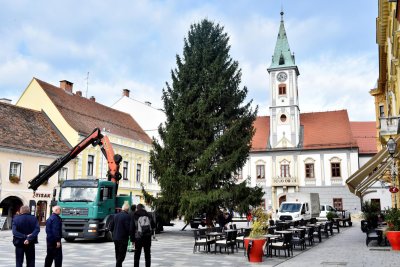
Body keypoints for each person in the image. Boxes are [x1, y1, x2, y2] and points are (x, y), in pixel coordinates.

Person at [109, 203, 132, 267]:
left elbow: (111, 228)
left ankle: (119, 265)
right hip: (123, 239)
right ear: (128, 210)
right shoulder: (127, 216)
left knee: (117, 254)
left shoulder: (115, 215)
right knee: (122, 256)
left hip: (115, 238)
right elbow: (128, 229)